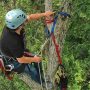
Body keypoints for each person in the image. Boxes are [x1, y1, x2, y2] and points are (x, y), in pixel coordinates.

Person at [0, 9, 54, 82]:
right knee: (32, 70)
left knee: (37, 60)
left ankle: (41, 74)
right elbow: (21, 60)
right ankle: (42, 82)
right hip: (12, 60)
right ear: (20, 25)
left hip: (12, 51)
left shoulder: (12, 26)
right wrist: (34, 59)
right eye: (24, 21)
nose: (26, 20)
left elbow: (30, 17)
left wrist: (45, 14)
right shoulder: (14, 42)